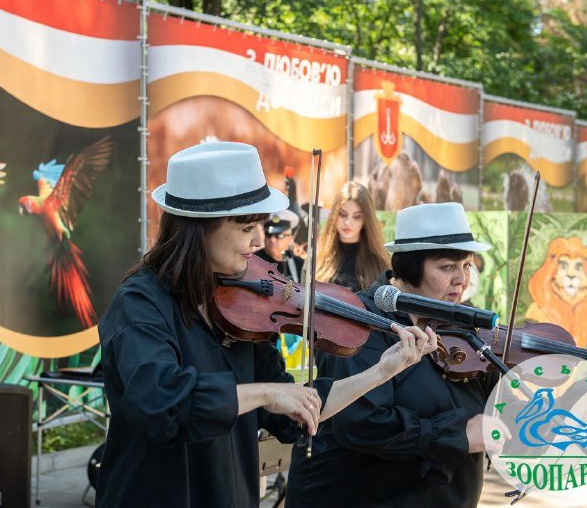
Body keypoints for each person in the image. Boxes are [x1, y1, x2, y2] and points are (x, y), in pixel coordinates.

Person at [95, 142, 438, 508]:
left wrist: (383, 371)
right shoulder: (140, 302)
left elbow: (294, 413)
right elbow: (162, 402)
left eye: (259, 226)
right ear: (197, 228)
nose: (259, 242)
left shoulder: (242, 309)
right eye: (247, 228)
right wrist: (264, 393)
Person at [287, 202, 502, 508]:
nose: (461, 279)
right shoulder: (358, 324)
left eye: (466, 265)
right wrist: (458, 434)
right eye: (447, 267)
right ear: (410, 267)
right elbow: (362, 422)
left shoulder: (459, 325)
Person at [315, 181, 389, 292]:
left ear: (366, 219)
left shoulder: (379, 262)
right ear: (334, 215)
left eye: (357, 216)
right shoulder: (317, 257)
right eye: (342, 214)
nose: (348, 222)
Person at [254, 209, 305, 282]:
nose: (272, 240)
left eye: (279, 235)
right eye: (268, 234)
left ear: (290, 238)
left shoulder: (299, 264)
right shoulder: (253, 261)